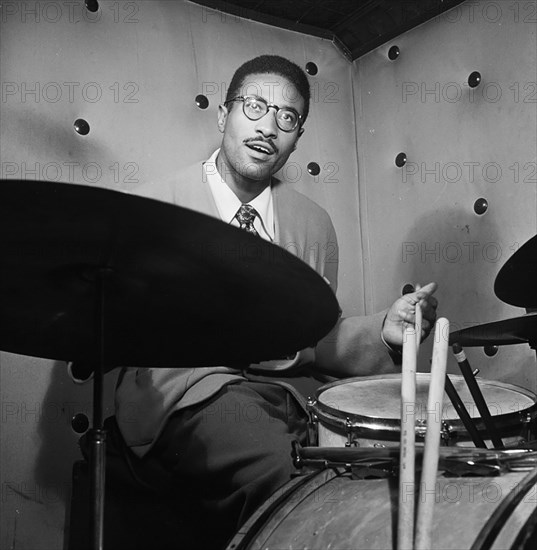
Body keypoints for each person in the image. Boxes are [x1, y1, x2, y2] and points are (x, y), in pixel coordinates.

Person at [74, 55, 438, 549]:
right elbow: (104, 326)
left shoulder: (313, 224)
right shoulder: (151, 210)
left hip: (284, 397)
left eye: (287, 118)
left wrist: (383, 330)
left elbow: (318, 336)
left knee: (377, 469)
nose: (268, 126)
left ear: (296, 137)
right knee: (283, 476)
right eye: (254, 106)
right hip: (183, 394)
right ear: (223, 116)